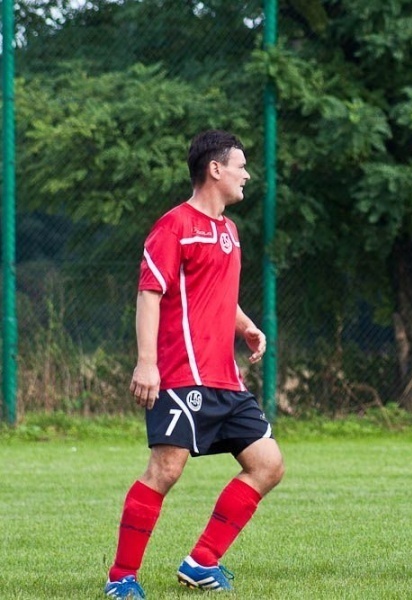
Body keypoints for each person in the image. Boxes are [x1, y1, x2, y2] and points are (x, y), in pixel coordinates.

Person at [104, 130, 285, 599]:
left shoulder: (229, 231)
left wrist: (245, 325)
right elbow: (149, 294)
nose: (248, 173)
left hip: (225, 377)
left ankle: (202, 562)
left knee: (268, 464)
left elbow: (217, 296)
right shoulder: (173, 226)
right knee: (166, 470)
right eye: (241, 165)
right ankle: (121, 578)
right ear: (215, 169)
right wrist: (147, 364)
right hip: (181, 375)